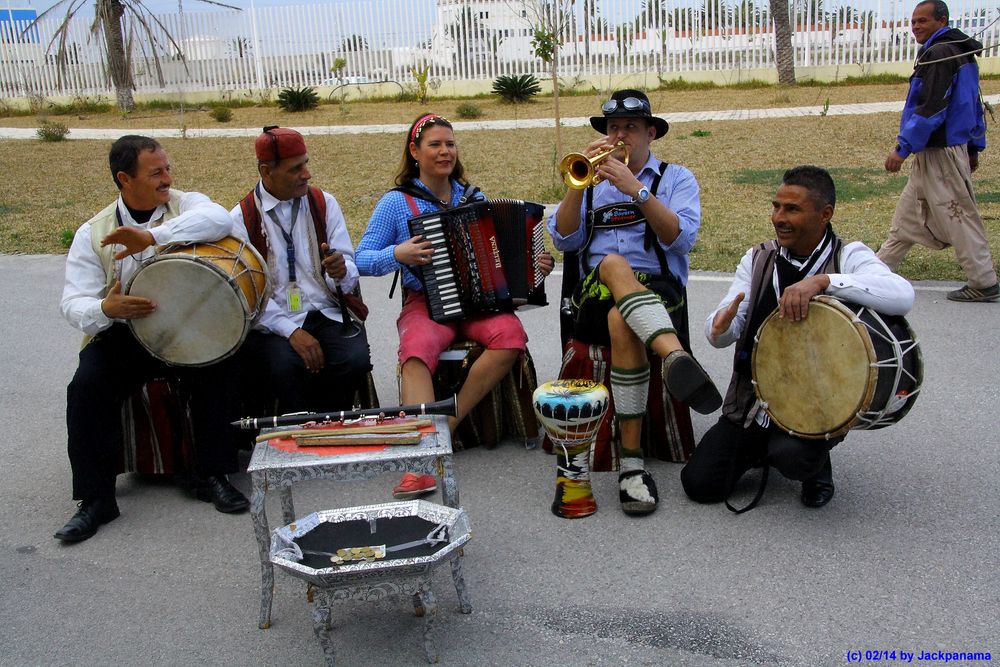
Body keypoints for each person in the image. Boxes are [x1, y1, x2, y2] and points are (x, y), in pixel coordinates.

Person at [681, 166, 915, 509]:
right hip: (753, 404)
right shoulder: (757, 258)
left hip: (818, 405)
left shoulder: (848, 256)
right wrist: (720, 327)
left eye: (792, 209)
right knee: (700, 486)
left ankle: (814, 463)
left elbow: (902, 294)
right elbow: (720, 332)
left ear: (825, 214)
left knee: (793, 457)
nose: (779, 217)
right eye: (776, 207)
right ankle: (761, 448)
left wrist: (824, 282)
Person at [57, 135, 248, 544]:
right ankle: (95, 500)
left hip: (189, 323)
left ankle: (211, 475)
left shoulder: (186, 204)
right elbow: (72, 303)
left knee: (221, 367)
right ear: (125, 179)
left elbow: (221, 220)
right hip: (127, 332)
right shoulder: (93, 232)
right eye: (155, 172)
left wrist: (153, 237)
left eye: (167, 169)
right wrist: (105, 310)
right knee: (86, 387)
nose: (167, 178)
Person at [356, 113, 553, 499]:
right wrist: (399, 253)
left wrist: (535, 264)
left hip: (478, 301)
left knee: (511, 336)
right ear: (414, 151)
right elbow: (361, 258)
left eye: (450, 143)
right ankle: (420, 465)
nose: (445, 151)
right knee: (415, 351)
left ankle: (443, 427)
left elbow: (501, 257)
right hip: (425, 300)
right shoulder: (396, 204)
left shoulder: (472, 198)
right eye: (435, 144)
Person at [548, 89, 721, 516]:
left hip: (659, 289)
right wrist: (578, 184)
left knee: (621, 320)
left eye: (629, 128)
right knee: (610, 262)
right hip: (595, 289)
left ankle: (632, 466)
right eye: (612, 128)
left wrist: (637, 190)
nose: (619, 135)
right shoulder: (589, 180)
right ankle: (673, 354)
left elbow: (681, 239)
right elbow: (562, 238)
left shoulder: (677, 178)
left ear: (649, 133)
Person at [230, 127, 372, 414]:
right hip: (274, 323)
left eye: (306, 163)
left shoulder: (323, 203)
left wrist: (340, 272)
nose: (307, 174)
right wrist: (291, 331)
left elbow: (347, 276)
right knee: (284, 367)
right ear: (266, 172)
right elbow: (249, 296)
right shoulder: (241, 219)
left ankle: (330, 427)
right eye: (296, 168)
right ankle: (300, 435)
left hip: (327, 311)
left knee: (354, 359)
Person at [878, 0, 997, 303]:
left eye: (923, 21)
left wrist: (902, 148)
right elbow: (973, 102)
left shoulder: (939, 54)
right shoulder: (961, 52)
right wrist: (973, 147)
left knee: (958, 216)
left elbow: (931, 107)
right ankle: (878, 270)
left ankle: (983, 281)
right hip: (939, 151)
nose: (916, 26)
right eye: (914, 21)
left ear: (941, 21)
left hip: (940, 150)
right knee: (906, 217)